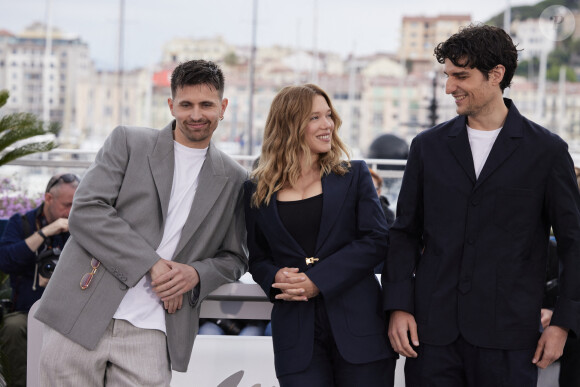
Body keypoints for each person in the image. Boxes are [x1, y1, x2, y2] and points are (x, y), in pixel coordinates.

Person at [383, 24, 580, 387]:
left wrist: (564, 324)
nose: (448, 87)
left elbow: (574, 243)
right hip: (432, 336)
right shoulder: (427, 147)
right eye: (447, 75)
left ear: (496, 75)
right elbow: (404, 233)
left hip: (509, 337)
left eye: (461, 76)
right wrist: (398, 306)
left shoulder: (548, 152)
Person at [34, 60, 248, 386]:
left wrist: (194, 274)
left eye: (206, 104)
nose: (195, 114)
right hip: (81, 310)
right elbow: (86, 211)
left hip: (154, 327)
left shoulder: (235, 179)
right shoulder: (128, 142)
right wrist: (153, 265)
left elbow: (235, 258)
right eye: (186, 104)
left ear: (223, 107)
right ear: (171, 104)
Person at [245, 84, 397, 386]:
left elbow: (377, 240)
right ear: (289, 124)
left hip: (361, 329)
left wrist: (318, 280)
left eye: (328, 115)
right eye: (315, 117)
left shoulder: (353, 175)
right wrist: (275, 277)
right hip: (296, 336)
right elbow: (258, 258)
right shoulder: (256, 189)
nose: (328, 124)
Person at [0, 173, 79, 387]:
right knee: (13, 328)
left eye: (77, 205)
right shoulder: (23, 223)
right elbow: (5, 260)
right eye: (67, 205)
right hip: (27, 311)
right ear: (48, 198)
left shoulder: (79, 228)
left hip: (69, 313)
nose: (71, 212)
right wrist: (45, 233)